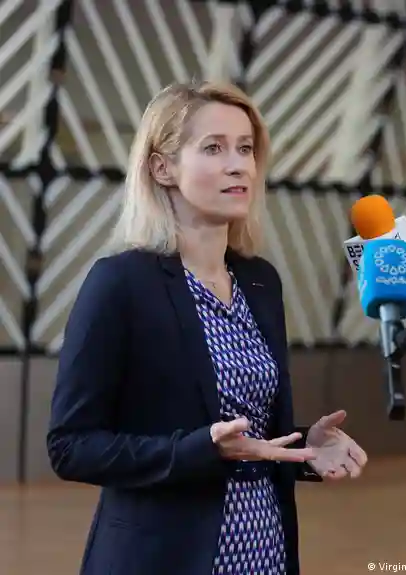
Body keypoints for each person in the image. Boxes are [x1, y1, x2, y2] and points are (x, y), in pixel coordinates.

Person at [47, 80, 368, 575]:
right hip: (162, 558)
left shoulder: (260, 282)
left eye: (246, 148)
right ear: (162, 168)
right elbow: (71, 446)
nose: (239, 165)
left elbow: (250, 434)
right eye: (214, 148)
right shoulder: (121, 282)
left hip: (263, 550)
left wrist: (306, 447)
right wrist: (198, 450)